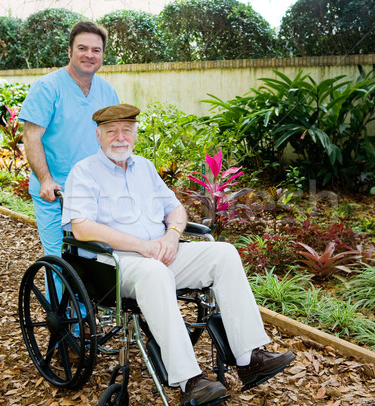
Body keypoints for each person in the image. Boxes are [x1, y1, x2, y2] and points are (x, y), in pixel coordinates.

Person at [61, 104, 295, 405]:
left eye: (126, 130)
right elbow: (81, 228)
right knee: (155, 272)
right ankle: (190, 381)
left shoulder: (144, 167)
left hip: (160, 252)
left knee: (223, 253)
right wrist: (142, 246)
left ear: (135, 134)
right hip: (116, 264)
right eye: (111, 131)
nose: (120, 137)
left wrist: (172, 235)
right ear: (98, 135)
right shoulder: (84, 172)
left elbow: (176, 210)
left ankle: (250, 357)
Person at [19, 21, 120, 256]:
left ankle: (81, 295)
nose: (89, 55)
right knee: (59, 259)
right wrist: (45, 180)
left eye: (96, 50)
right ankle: (56, 295)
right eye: (82, 48)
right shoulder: (47, 88)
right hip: (56, 192)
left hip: (94, 191)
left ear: (103, 55)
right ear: (70, 51)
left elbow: (114, 139)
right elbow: (31, 137)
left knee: (93, 258)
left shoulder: (108, 91)